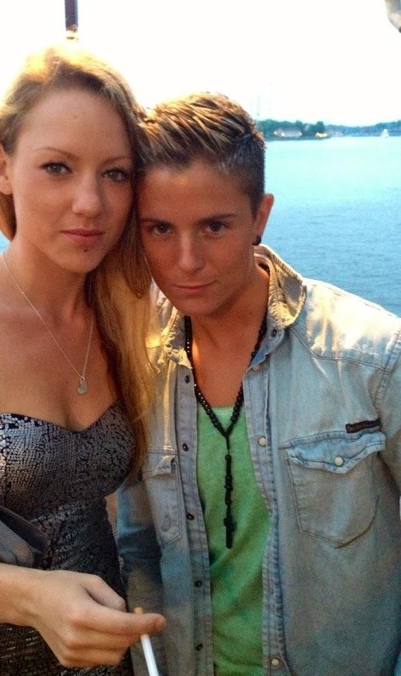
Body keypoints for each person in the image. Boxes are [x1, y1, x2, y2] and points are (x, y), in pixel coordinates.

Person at [0, 43, 165, 674]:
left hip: (99, 658)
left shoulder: (128, 322)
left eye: (115, 174)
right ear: (1, 167)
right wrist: (33, 598)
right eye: (58, 168)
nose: (90, 203)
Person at [117, 91, 401, 675]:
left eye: (214, 227)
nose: (186, 260)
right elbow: (138, 541)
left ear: (260, 216)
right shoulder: (138, 366)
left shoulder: (370, 359)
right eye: (160, 229)